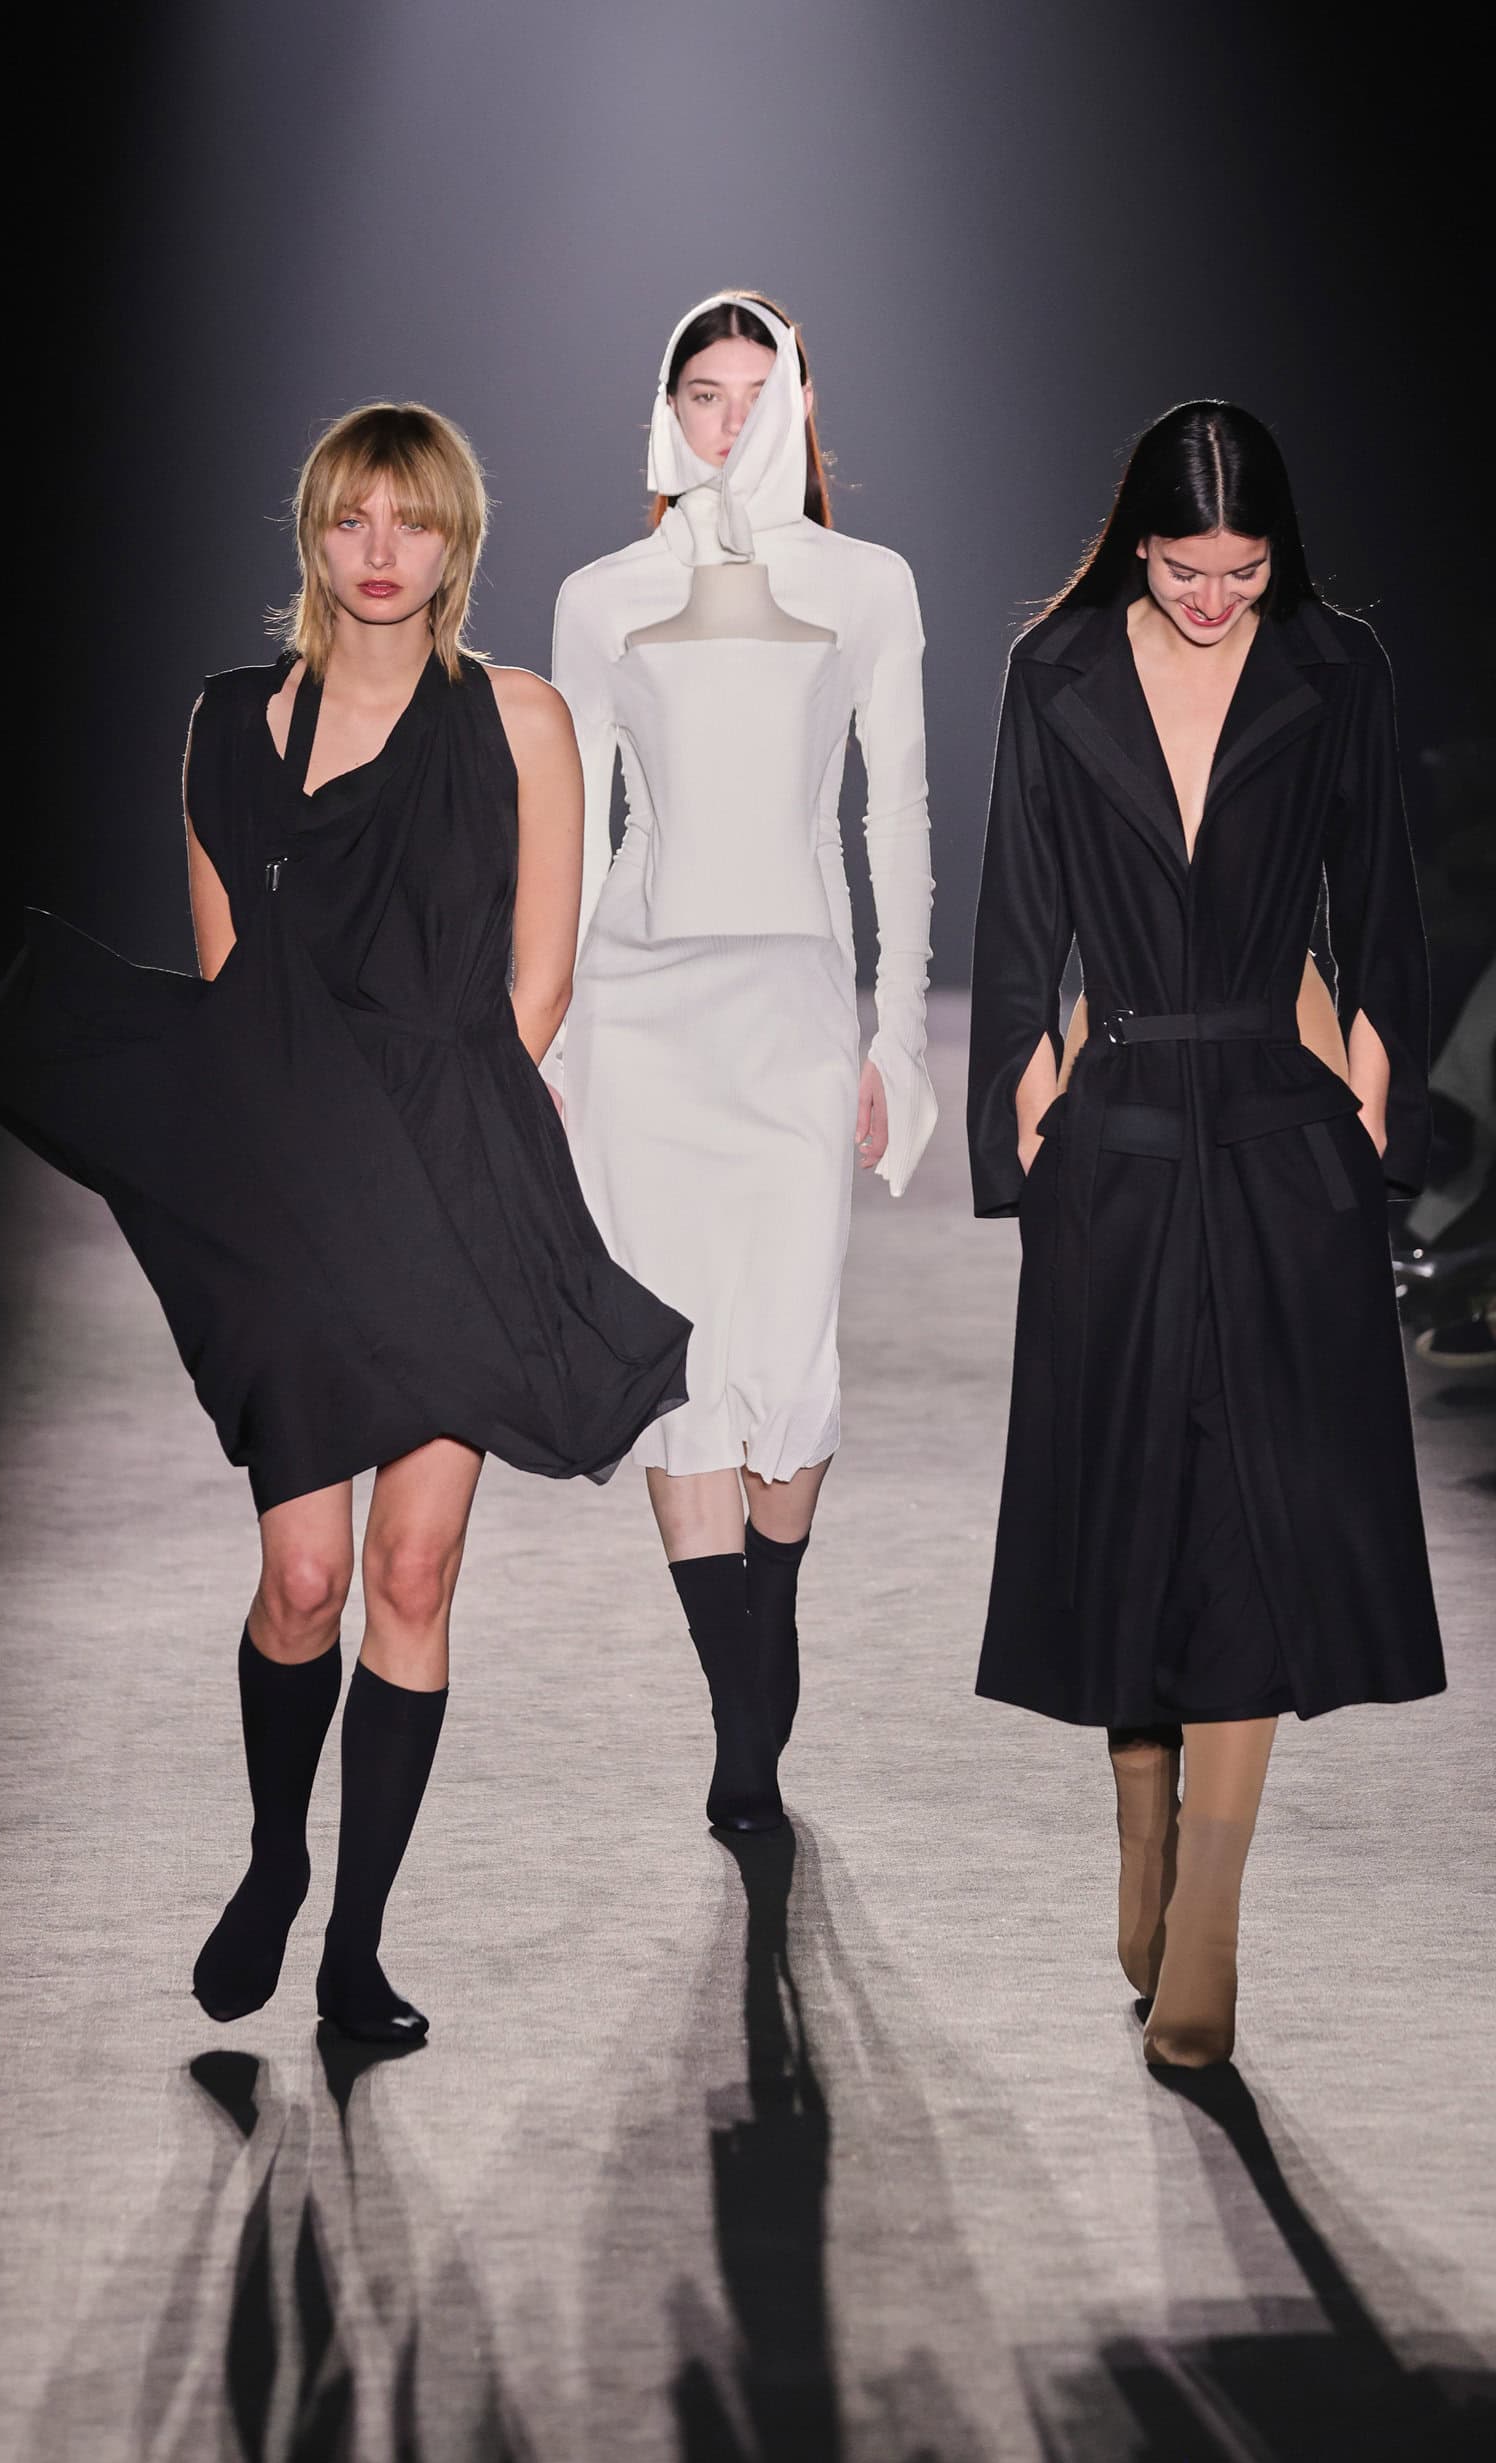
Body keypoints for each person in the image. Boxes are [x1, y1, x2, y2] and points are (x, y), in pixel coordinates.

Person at [0, 404, 690, 2043]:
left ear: (455, 542)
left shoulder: (520, 720)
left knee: (412, 1569)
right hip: (293, 1182)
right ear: (313, 533)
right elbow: (231, 989)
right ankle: (277, 1857)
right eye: (353, 518)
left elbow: (541, 982)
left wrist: (437, 1156)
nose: (380, 551)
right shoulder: (231, 724)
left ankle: (358, 1948)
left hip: (458, 1178)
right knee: (302, 1578)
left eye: (411, 522)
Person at [967, 401, 1445, 2069]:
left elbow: (1383, 897)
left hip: (1277, 1130)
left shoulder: (1336, 668)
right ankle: (1141, 1838)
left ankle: (1215, 1917)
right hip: (1113, 1132)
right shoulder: (1055, 671)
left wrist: (1373, 1098)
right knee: (1132, 1511)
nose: (1214, 596)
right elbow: (1017, 911)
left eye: (1243, 569)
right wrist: (1027, 1109)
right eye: (1185, 566)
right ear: (1140, 544)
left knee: (1255, 1522)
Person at [550, 292, 937, 1833]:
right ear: (669, 410)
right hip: (640, 1012)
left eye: (756, 392)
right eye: (703, 393)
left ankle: (764, 1620)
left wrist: (894, 1030)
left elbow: (892, 815)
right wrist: (556, 1037)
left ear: (802, 407)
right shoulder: (601, 596)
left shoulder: (869, 585)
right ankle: (740, 1719)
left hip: (790, 1008)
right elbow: (576, 829)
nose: (729, 419)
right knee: (679, 1369)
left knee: (788, 1352)